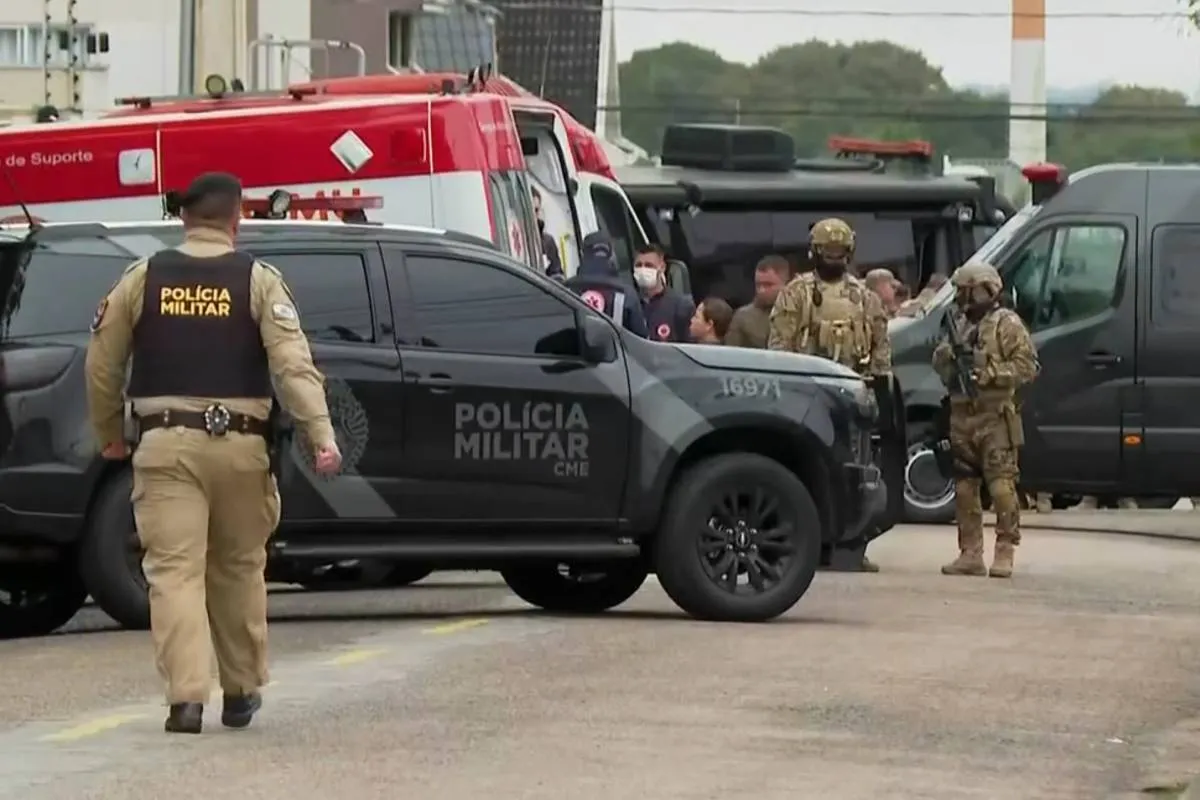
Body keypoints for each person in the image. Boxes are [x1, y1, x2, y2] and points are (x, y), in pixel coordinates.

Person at [84, 172, 343, 734]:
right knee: (239, 568)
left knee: (174, 572)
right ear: (237, 219)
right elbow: (293, 366)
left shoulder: (142, 278)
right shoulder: (259, 281)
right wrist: (320, 434)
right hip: (240, 447)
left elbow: (102, 362)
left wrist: (109, 431)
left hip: (165, 445)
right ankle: (242, 690)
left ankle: (185, 701)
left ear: (183, 220)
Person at [768, 218, 891, 572]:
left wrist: (879, 391)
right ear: (815, 252)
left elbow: (880, 349)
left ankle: (853, 545)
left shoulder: (865, 299)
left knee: (859, 474)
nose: (834, 257)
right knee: (805, 470)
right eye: (828, 251)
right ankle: (801, 545)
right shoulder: (796, 293)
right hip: (807, 398)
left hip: (852, 398)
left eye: (840, 252)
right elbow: (779, 347)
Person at [933, 261, 1039, 579]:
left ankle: (1005, 551)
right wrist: (946, 360)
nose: (964, 299)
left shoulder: (1006, 323)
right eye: (961, 292)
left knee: (1001, 486)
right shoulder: (956, 324)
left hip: (994, 416)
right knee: (965, 487)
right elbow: (942, 369)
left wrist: (991, 373)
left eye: (970, 291)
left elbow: (1028, 367)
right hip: (962, 415)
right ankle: (970, 553)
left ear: (987, 290)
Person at [566, 231, 648, 337]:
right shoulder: (626, 294)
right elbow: (641, 337)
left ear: (582, 254)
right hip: (615, 353)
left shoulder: (566, 290)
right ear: (612, 254)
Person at [725, 254, 790, 349]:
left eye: (768, 285)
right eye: (758, 285)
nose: (762, 290)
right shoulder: (743, 318)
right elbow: (731, 356)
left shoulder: (802, 314)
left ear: (786, 284)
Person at [633, 244, 695, 342]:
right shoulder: (629, 303)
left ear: (662, 268)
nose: (643, 269)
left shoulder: (681, 306)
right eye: (638, 265)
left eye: (649, 265)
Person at [530, 186, 563, 279]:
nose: (533, 216)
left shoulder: (547, 241)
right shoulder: (511, 239)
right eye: (529, 210)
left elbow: (557, 275)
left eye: (536, 210)